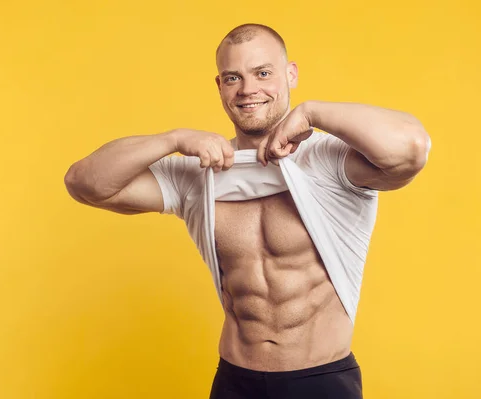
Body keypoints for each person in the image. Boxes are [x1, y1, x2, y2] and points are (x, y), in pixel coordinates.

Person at [64, 23, 431, 399]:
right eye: (232, 77)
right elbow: (85, 183)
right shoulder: (199, 173)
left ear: (291, 74)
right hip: (235, 381)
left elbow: (411, 149)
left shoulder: (330, 162)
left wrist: (311, 113)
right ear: (220, 86)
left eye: (263, 73)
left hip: (320, 381)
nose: (248, 89)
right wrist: (172, 139)